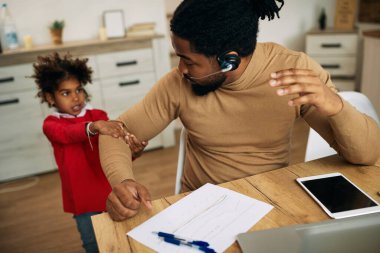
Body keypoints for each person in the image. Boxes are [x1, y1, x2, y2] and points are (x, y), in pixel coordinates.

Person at [99, 0, 380, 221]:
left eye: (189, 61)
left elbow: (367, 154)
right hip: (200, 210)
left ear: (229, 61)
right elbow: (114, 132)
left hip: (270, 204)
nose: (180, 69)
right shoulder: (178, 83)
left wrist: (336, 105)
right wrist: (122, 181)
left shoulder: (293, 71)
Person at [31, 52, 147, 253]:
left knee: (123, 237)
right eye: (65, 93)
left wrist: (134, 152)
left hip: (111, 191)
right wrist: (93, 127)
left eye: (78, 90)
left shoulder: (99, 116)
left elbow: (113, 155)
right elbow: (68, 134)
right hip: (82, 200)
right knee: (93, 244)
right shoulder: (51, 125)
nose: (76, 97)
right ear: (50, 98)